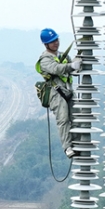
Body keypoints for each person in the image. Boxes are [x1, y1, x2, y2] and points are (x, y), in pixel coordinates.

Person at [36, 28, 81, 158]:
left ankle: (77, 143)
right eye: (52, 41)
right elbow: (55, 69)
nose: (55, 43)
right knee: (63, 119)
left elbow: (72, 69)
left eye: (56, 40)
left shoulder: (63, 56)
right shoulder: (45, 59)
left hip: (68, 90)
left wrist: (77, 63)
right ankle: (67, 147)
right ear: (46, 44)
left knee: (76, 117)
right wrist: (71, 66)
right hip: (55, 92)